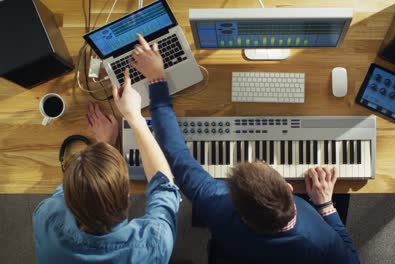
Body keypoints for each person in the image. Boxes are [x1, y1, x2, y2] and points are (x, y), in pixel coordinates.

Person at [129, 34, 360, 263]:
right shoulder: (321, 241)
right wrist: (326, 205)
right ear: (289, 188)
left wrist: (156, 79)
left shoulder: (217, 204)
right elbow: (352, 259)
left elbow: (175, 153)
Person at [32, 74, 180, 262]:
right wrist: (133, 115)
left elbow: (78, 187)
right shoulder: (153, 245)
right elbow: (163, 185)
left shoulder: (47, 218)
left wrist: (105, 146)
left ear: (70, 201)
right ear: (127, 194)